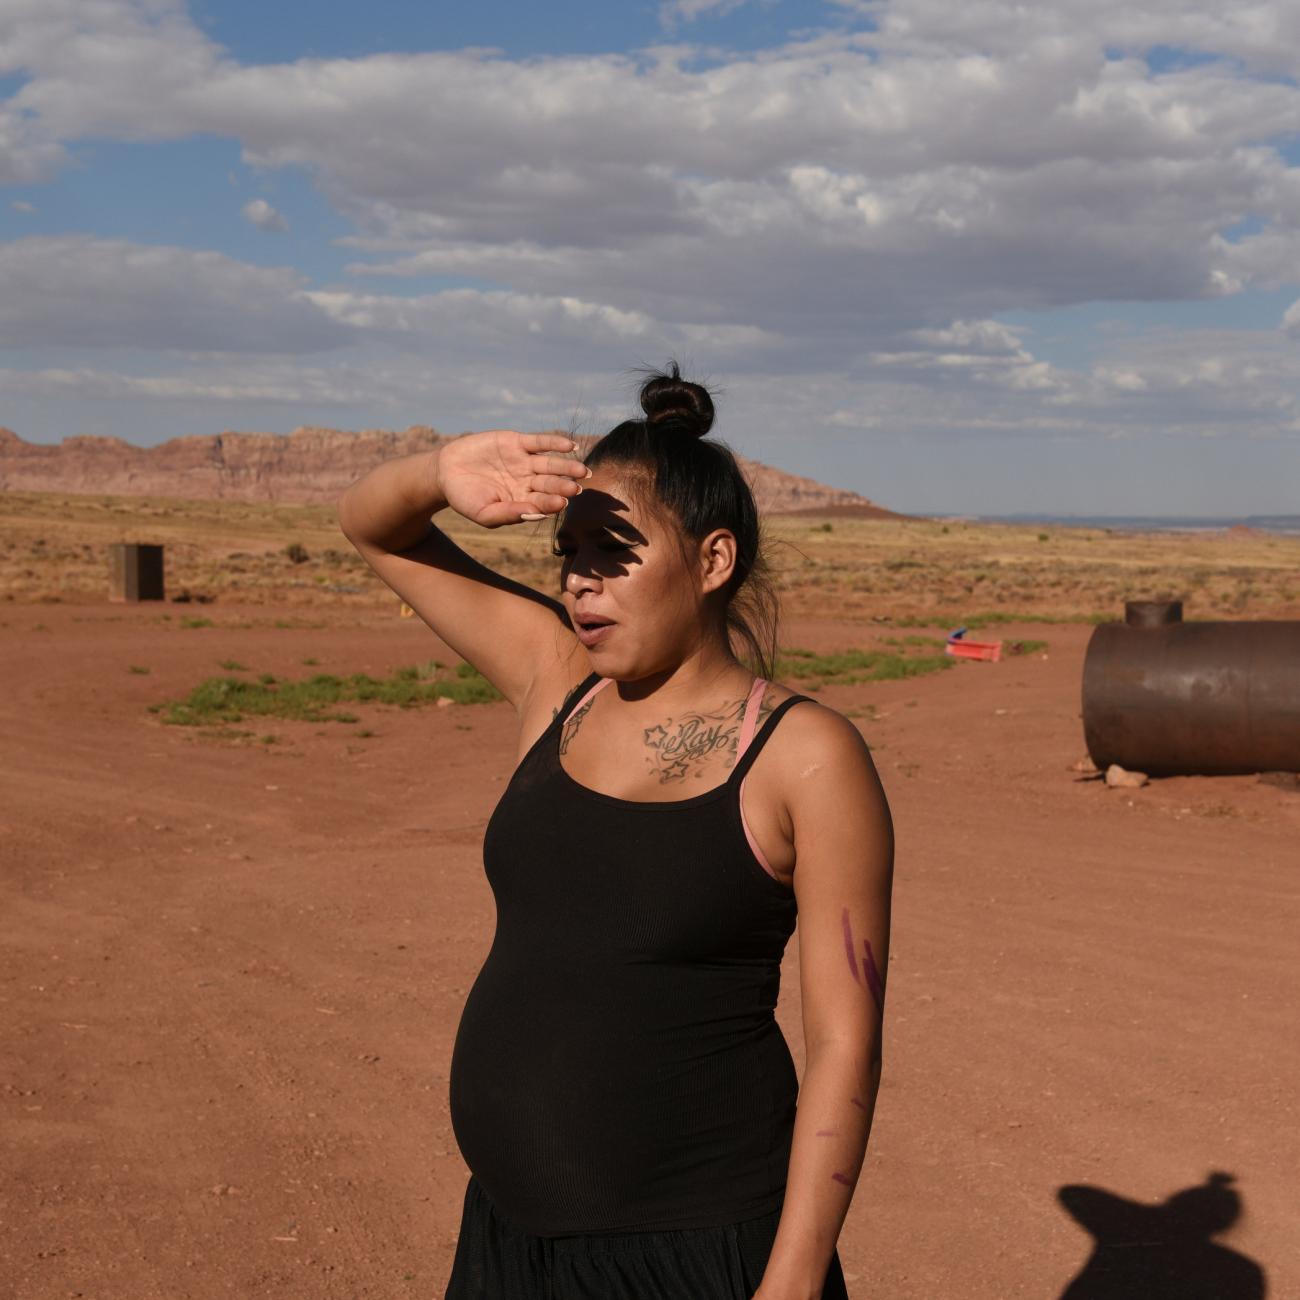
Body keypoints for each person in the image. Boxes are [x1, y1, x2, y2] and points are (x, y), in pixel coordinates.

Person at [337, 363, 894, 1300]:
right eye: (570, 552)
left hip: (695, 1252)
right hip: (510, 1243)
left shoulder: (805, 757)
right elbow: (372, 528)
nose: (582, 582)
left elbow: (846, 1042)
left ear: (713, 562)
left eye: (613, 551)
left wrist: (792, 1281)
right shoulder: (561, 680)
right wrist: (441, 472)